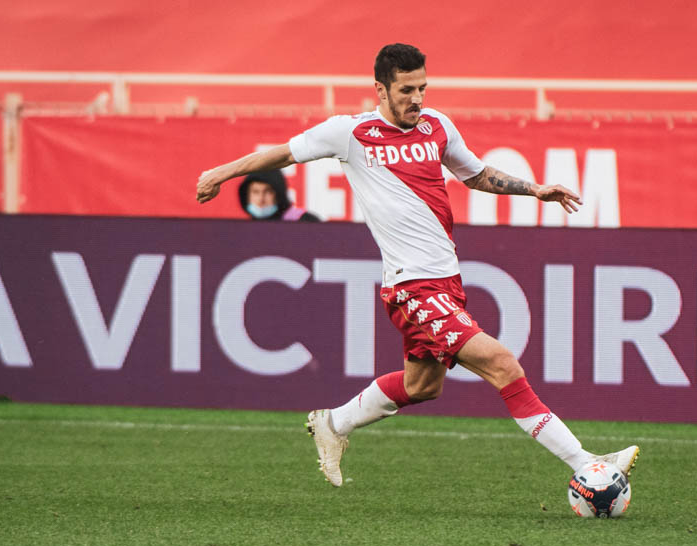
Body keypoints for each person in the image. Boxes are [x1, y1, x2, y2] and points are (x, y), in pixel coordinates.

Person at [196, 43, 638, 487]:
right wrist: (219, 173)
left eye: (422, 88)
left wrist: (534, 189)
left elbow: (476, 174)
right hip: (412, 288)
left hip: (447, 282)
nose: (417, 98)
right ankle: (588, 464)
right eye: (406, 90)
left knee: (422, 385)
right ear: (381, 90)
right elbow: (283, 153)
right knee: (502, 364)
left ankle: (333, 423)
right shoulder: (350, 133)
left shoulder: (438, 127)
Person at [238, 169, 321, 221]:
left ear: (279, 194)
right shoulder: (243, 231)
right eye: (255, 192)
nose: (261, 199)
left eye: (268, 192)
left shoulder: (306, 222)